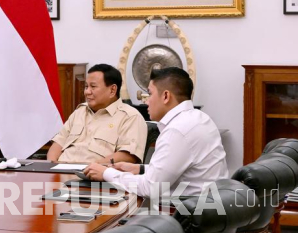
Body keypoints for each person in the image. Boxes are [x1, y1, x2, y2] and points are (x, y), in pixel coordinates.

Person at [84, 67, 229, 198]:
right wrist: (139, 169)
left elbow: (150, 188)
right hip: (209, 212)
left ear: (166, 96)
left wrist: (106, 173)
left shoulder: (177, 131)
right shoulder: (199, 118)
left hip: (187, 217)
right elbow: (177, 170)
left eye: (150, 94)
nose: (146, 101)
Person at [47, 64, 147, 165]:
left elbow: (128, 156)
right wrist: (51, 168)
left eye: (93, 87)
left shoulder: (130, 117)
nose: (87, 92)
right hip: (61, 172)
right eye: (86, 86)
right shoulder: (79, 112)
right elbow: (57, 144)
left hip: (95, 176)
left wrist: (90, 169)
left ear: (112, 90)